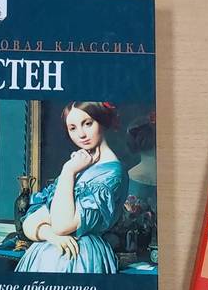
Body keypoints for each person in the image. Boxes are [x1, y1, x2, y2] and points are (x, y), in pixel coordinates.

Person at [16, 101, 128, 273]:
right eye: (73, 128)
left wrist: (68, 171)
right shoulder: (78, 165)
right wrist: (52, 236)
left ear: (102, 121)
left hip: (81, 256)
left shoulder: (112, 173)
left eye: (88, 124)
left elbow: (62, 225)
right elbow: (29, 223)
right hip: (47, 255)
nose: (81, 134)